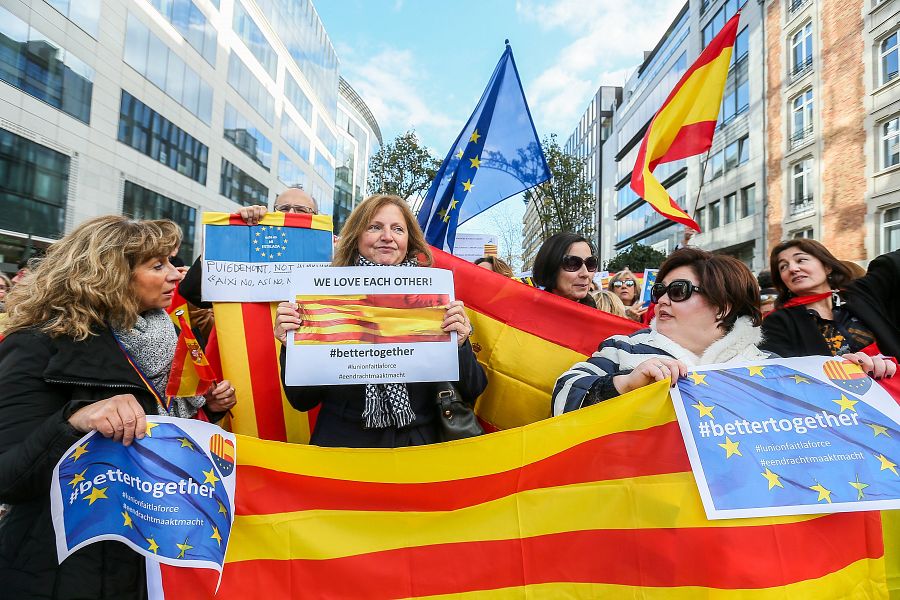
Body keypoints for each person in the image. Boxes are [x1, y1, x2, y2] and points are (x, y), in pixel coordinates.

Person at [0, 216, 237, 599]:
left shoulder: (168, 339)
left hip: (145, 558)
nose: (175, 276)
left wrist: (206, 411)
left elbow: (154, 436)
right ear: (110, 274)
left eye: (171, 262)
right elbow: (8, 478)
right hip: (56, 566)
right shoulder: (36, 346)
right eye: (157, 265)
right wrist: (74, 421)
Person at [274, 194, 487, 448]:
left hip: (419, 449)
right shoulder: (323, 298)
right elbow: (301, 400)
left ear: (409, 241)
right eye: (375, 227)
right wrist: (292, 346)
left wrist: (460, 343)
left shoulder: (433, 297)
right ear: (356, 236)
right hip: (343, 449)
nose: (387, 236)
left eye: (397, 229)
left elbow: (473, 387)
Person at [552, 248, 769, 416]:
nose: (662, 300)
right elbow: (562, 397)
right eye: (659, 291)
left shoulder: (768, 367)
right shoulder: (622, 348)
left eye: (677, 291)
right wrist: (625, 384)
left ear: (723, 306)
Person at [760, 239, 899, 378]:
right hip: (841, 398)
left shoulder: (861, 294)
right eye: (783, 267)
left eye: (801, 260)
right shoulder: (776, 322)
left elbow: (892, 264)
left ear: (827, 267)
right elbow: (778, 377)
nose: (792, 269)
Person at [178, 185, 319, 308]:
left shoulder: (330, 256)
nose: (291, 214)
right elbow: (192, 293)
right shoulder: (253, 249)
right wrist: (237, 232)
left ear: (316, 217)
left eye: (301, 210)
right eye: (284, 208)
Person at [532, 232, 599, 308]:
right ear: (550, 267)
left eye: (590, 263)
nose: (585, 273)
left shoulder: (601, 316)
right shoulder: (527, 315)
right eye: (573, 264)